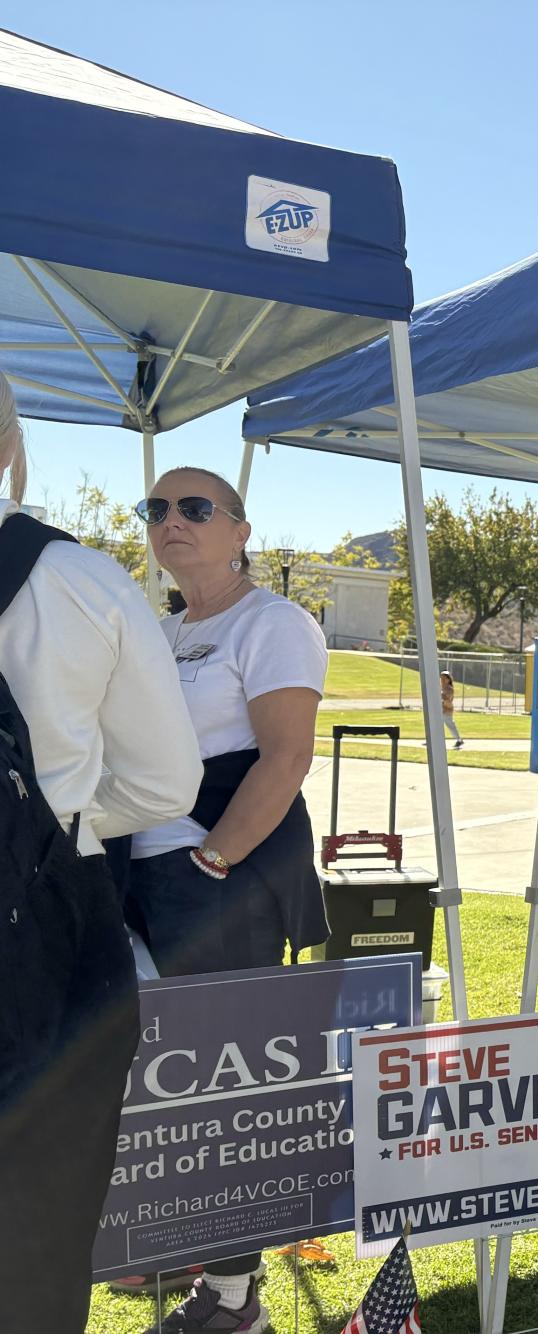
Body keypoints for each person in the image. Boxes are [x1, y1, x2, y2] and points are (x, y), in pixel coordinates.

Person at [0, 375, 201, 1333]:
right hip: (47, 929)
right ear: (8, 446)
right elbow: (166, 785)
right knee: (43, 1215)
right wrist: (63, 825)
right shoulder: (76, 581)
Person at [125, 466, 331, 1334]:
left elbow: (284, 758)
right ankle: (173, 1247)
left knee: (225, 1091)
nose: (172, 521)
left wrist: (211, 863)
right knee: (159, 1082)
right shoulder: (159, 629)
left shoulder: (273, 622)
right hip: (139, 877)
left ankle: (234, 1298)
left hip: (215, 885)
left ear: (241, 529)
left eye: (196, 508)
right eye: (157, 509)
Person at [439, 668, 464, 748]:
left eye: (444, 678)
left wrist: (440, 694)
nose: (442, 680)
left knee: (450, 725)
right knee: (437, 724)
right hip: (441, 709)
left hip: (447, 709)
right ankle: (432, 740)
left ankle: (459, 740)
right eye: (441, 678)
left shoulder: (449, 688)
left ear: (448, 679)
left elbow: (447, 699)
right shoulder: (441, 687)